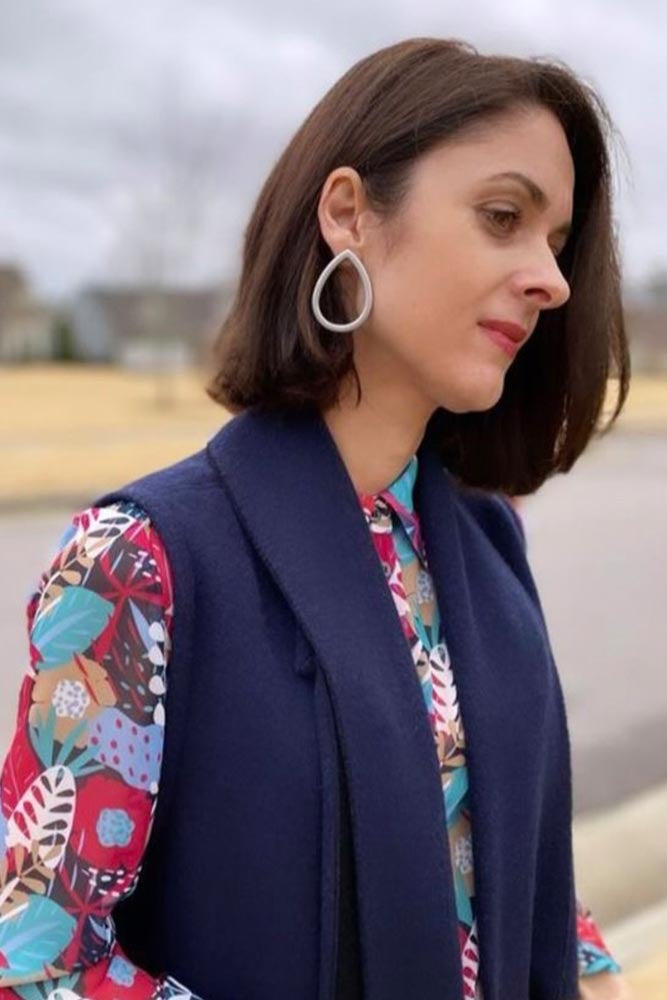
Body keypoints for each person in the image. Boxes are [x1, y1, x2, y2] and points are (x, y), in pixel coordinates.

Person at [0, 37, 634, 1000]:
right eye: (502, 217)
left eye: (555, 243)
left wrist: (587, 967)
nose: (550, 279)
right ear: (348, 214)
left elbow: (502, 856)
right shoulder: (140, 561)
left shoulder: (484, 545)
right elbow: (42, 959)